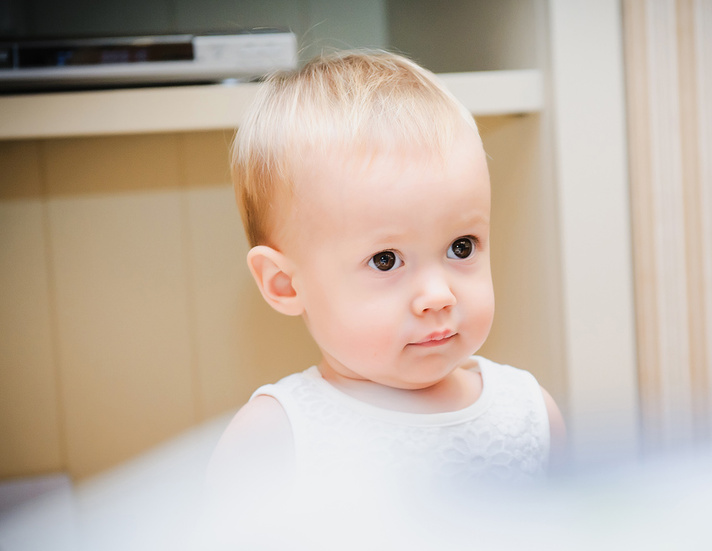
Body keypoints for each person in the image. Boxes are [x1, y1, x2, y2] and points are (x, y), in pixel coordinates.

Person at [208, 51, 564, 495]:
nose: (438, 295)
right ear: (284, 284)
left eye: (461, 247)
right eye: (385, 260)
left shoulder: (528, 415)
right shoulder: (273, 439)